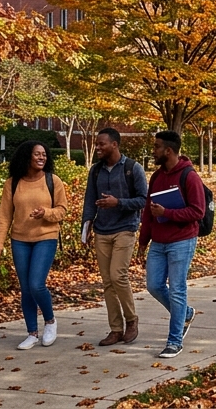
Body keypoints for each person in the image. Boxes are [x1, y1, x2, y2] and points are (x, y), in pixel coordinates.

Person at [0, 140, 68, 351]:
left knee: (36, 284)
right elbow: (4, 216)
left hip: (46, 236)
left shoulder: (53, 181)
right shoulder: (13, 183)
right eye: (37, 154)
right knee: (25, 289)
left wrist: (46, 213)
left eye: (44, 154)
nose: (41, 157)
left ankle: (50, 321)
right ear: (26, 156)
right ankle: (32, 333)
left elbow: (62, 210)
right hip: (20, 240)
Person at [137, 131, 206, 360]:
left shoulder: (189, 176)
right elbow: (147, 212)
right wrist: (142, 242)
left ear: (168, 150)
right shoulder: (156, 177)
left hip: (182, 240)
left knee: (177, 289)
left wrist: (167, 213)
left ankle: (174, 341)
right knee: (154, 285)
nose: (153, 151)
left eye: (156, 147)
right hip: (158, 241)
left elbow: (198, 211)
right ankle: (185, 313)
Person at [81, 128, 149, 347]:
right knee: (108, 282)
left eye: (102, 144)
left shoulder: (132, 168)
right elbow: (89, 199)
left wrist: (118, 202)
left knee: (118, 275)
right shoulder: (95, 171)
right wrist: (86, 226)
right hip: (102, 230)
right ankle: (115, 329)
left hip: (125, 229)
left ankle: (131, 320)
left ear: (115, 145)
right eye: (97, 144)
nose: (98, 147)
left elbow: (142, 200)